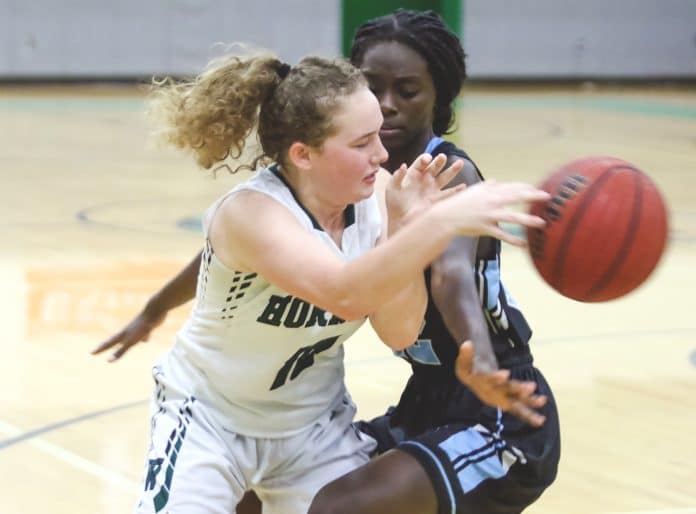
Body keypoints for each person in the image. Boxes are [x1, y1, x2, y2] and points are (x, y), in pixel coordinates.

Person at [112, 46, 550, 514]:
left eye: (378, 138)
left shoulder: (380, 198)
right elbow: (343, 293)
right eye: (361, 144)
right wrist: (436, 225)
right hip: (211, 419)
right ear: (303, 154)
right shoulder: (252, 213)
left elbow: (398, 331)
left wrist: (401, 226)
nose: (381, 154)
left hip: (314, 430)